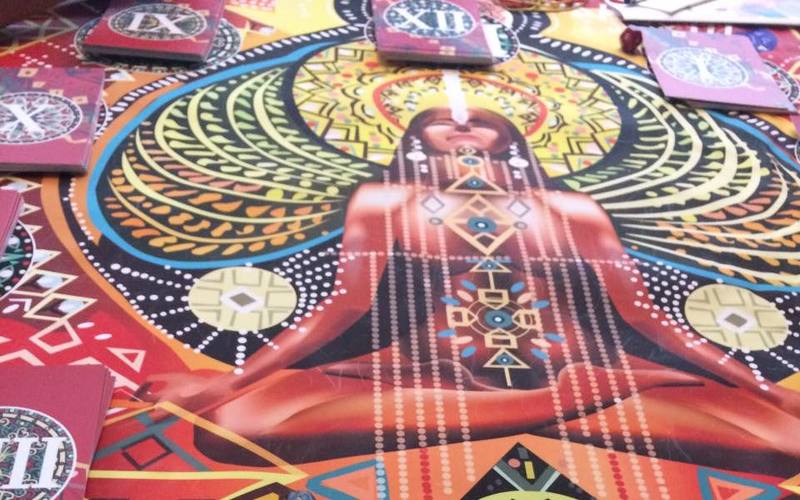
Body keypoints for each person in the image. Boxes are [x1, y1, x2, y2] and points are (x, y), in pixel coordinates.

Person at [143, 106, 800, 473]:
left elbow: (648, 318)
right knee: (232, 426)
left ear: (507, 136)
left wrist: (767, 391)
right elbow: (344, 307)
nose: (462, 125)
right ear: (413, 135)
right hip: (419, 372)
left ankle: (566, 396)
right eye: (444, 119)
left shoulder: (572, 210)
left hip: (583, 364)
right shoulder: (384, 201)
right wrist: (229, 385)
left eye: (478, 120)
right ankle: (564, 404)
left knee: (787, 443)